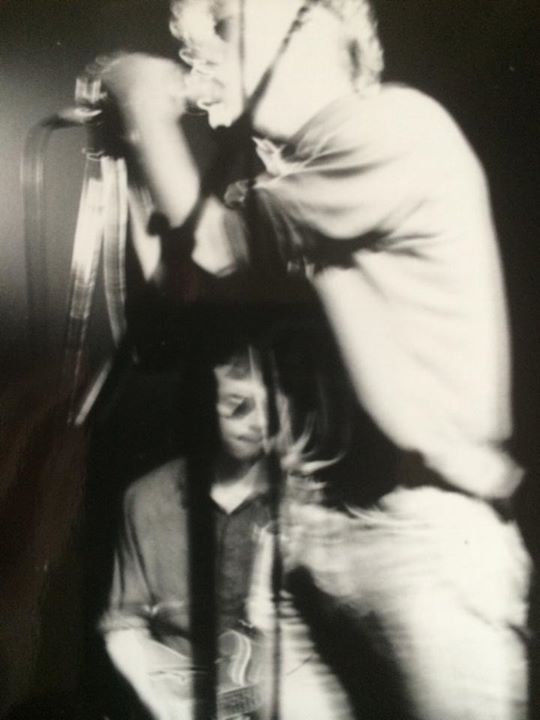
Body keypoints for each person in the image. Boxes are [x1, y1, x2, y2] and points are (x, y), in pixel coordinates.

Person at [96, 1, 532, 718]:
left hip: (425, 542)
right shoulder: (285, 176)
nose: (198, 56)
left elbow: (219, 249)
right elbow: (181, 295)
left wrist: (144, 105)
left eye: (221, 27)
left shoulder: (392, 128)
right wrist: (139, 152)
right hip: (310, 530)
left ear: (299, 21)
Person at [99, 343, 352, 720]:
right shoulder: (146, 498)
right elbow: (124, 624)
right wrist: (167, 707)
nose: (257, 422)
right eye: (238, 403)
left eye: (271, 407)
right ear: (208, 399)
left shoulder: (303, 504)